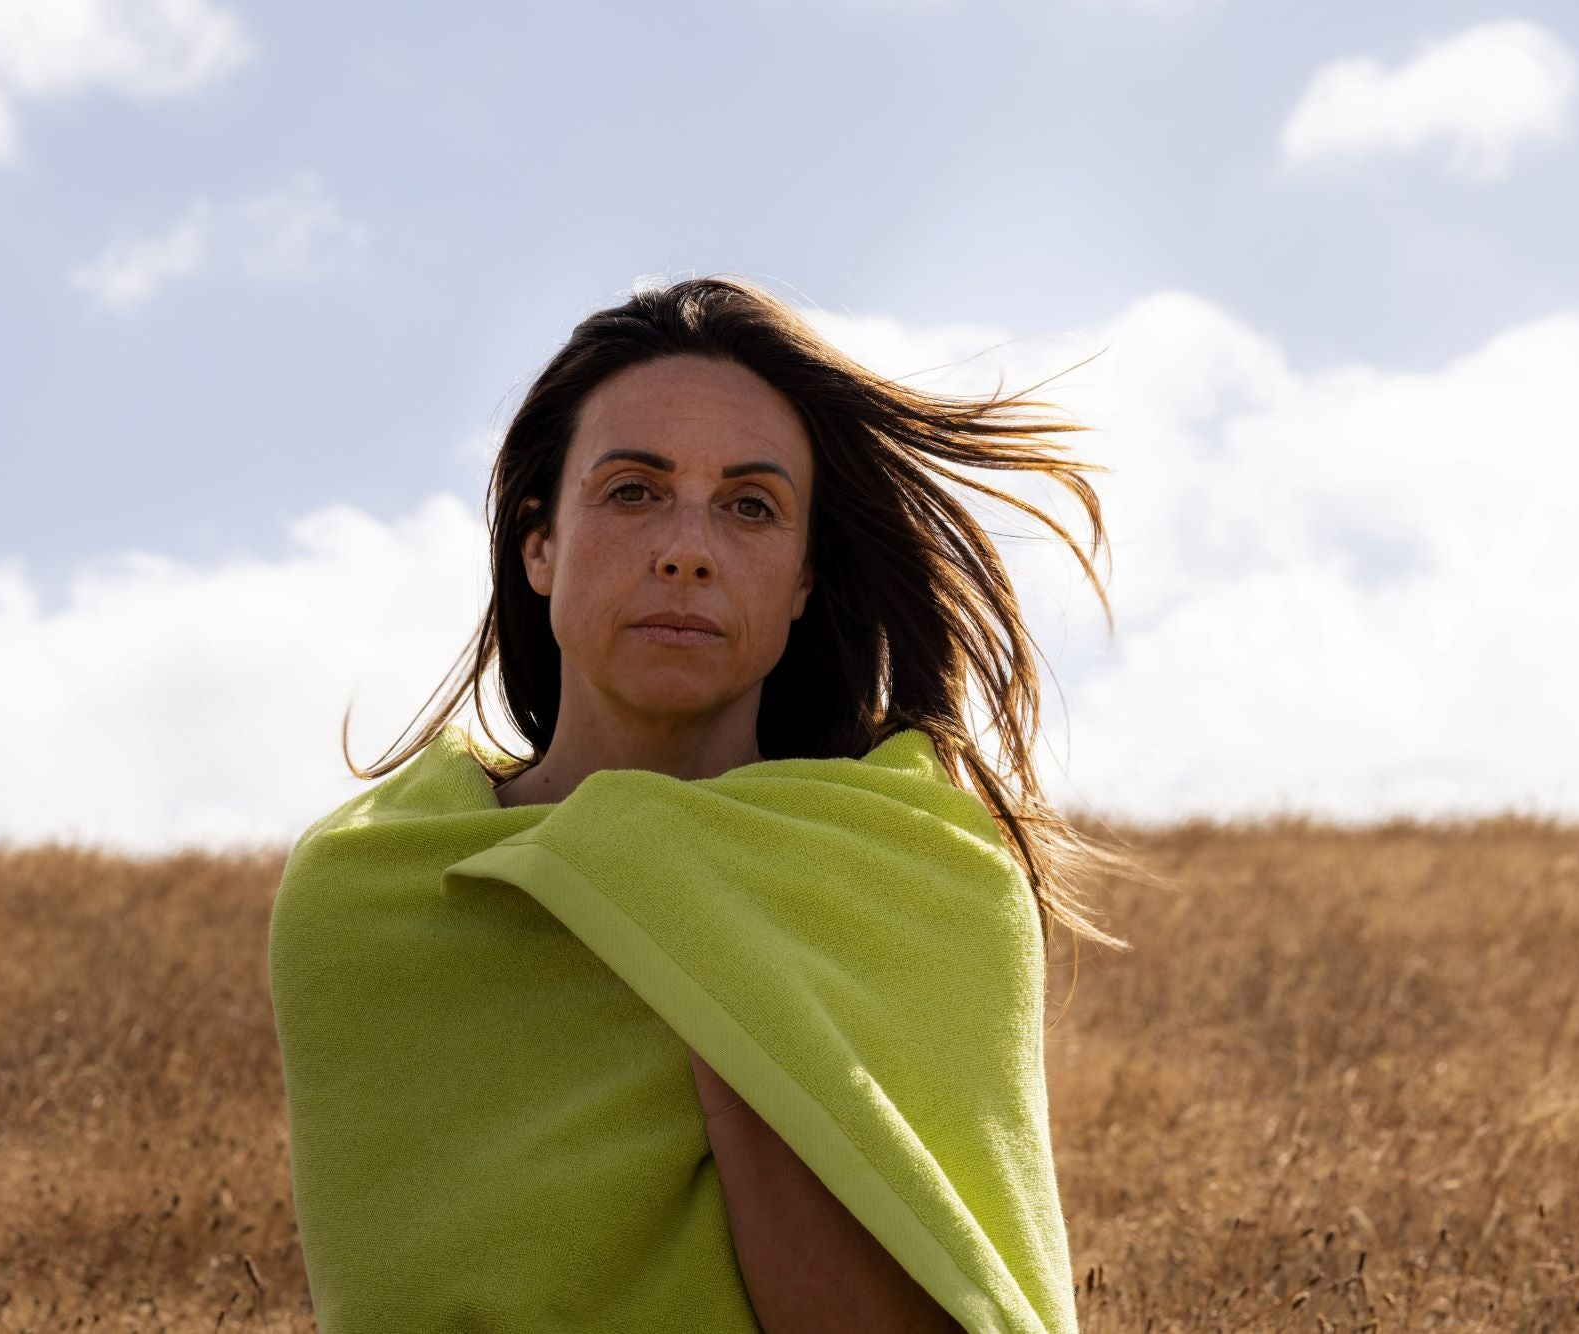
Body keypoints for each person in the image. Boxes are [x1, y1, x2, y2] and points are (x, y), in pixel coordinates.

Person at [274, 274, 1139, 1332]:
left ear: (803, 578)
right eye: (632, 490)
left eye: (749, 506)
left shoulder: (917, 874)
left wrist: (699, 911)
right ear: (539, 545)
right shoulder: (374, 893)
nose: (685, 549)